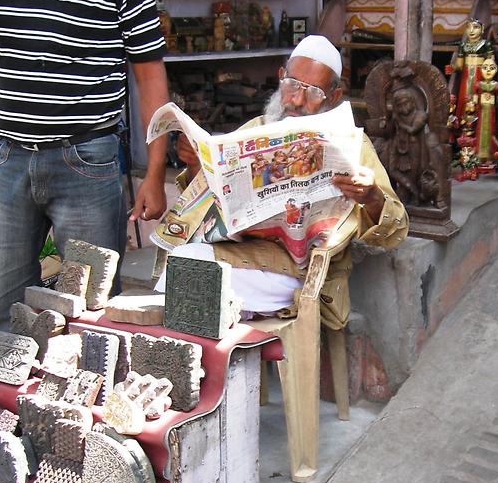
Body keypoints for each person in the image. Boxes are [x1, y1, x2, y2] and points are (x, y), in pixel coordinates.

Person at [0, 0, 169, 328]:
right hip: (5, 158)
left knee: (91, 309)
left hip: (86, 163)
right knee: (1, 300)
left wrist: (154, 172)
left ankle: (87, 397)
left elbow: (150, 79)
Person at [167, 34, 409, 329]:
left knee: (191, 279)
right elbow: (209, 204)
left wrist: (371, 197)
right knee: (181, 262)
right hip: (244, 254)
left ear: (333, 96)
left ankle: (218, 364)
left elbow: (397, 230)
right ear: (281, 77)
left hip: (300, 274)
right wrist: (195, 166)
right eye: (292, 85)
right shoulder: (256, 130)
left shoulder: (354, 146)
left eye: (312, 92)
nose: (296, 99)